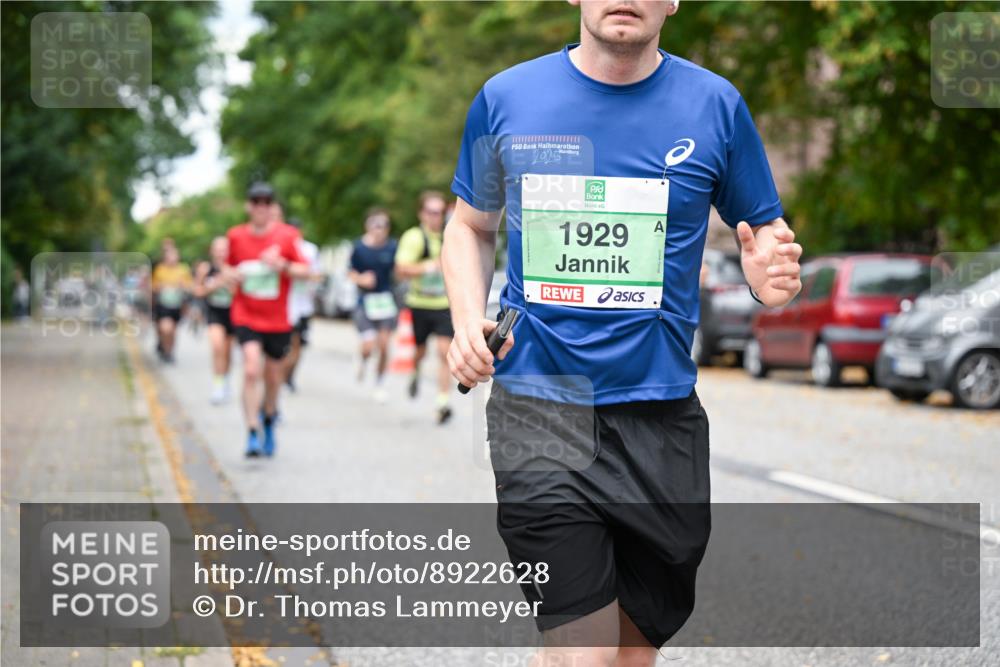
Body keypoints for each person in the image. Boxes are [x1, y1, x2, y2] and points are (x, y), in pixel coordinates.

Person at [442, 2, 804, 665]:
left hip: (662, 421)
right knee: (583, 653)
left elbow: (766, 238)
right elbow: (470, 225)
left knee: (631, 656)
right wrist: (468, 319)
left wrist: (768, 276)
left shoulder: (715, 105)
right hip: (538, 410)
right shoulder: (508, 98)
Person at [225, 182, 310, 457]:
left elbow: (306, 270)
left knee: (273, 378)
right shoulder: (236, 236)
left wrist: (282, 265)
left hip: (277, 320)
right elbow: (227, 268)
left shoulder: (287, 236)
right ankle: (251, 431)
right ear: (248, 205)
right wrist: (231, 275)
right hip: (246, 314)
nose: (261, 207)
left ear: (272, 206)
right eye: (255, 201)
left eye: (266, 202)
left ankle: (269, 419)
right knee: (251, 369)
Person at [395, 190, 454, 424]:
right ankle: (415, 371)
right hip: (419, 303)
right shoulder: (414, 237)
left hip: (443, 304)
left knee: (444, 352)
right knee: (420, 352)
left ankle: (443, 402)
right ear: (421, 213)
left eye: (439, 212)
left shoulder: (450, 235)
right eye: (431, 212)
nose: (435, 217)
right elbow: (401, 269)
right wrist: (430, 267)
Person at [348, 208, 399, 402]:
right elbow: (349, 272)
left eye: (383, 225)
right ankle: (362, 358)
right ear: (367, 226)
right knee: (369, 345)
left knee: (384, 345)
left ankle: (380, 383)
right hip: (365, 303)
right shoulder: (359, 248)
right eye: (375, 224)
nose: (379, 229)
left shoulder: (393, 247)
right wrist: (361, 279)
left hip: (386, 302)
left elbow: (399, 269)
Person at [194, 236, 236, 404]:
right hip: (214, 312)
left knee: (227, 351)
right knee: (217, 346)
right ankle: (217, 386)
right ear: (212, 251)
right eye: (218, 249)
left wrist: (230, 285)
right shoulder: (205, 268)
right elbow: (197, 291)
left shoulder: (234, 268)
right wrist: (213, 286)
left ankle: (225, 381)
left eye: (224, 249)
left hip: (232, 313)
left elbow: (242, 293)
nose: (221, 253)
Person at [284, 215, 321, 393]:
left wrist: (303, 274)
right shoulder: (281, 249)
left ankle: (289, 376)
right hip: (285, 305)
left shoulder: (310, 250)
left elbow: (317, 274)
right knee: (286, 344)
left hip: (303, 304)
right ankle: (281, 375)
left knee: (298, 345)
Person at [151, 242, 192, 363]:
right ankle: (164, 347)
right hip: (163, 305)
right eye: (169, 256)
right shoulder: (160, 269)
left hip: (178, 305)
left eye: (174, 256)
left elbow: (190, 286)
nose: (172, 259)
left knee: (173, 330)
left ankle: (169, 351)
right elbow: (153, 286)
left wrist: (182, 286)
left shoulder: (183, 269)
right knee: (165, 328)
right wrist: (160, 287)